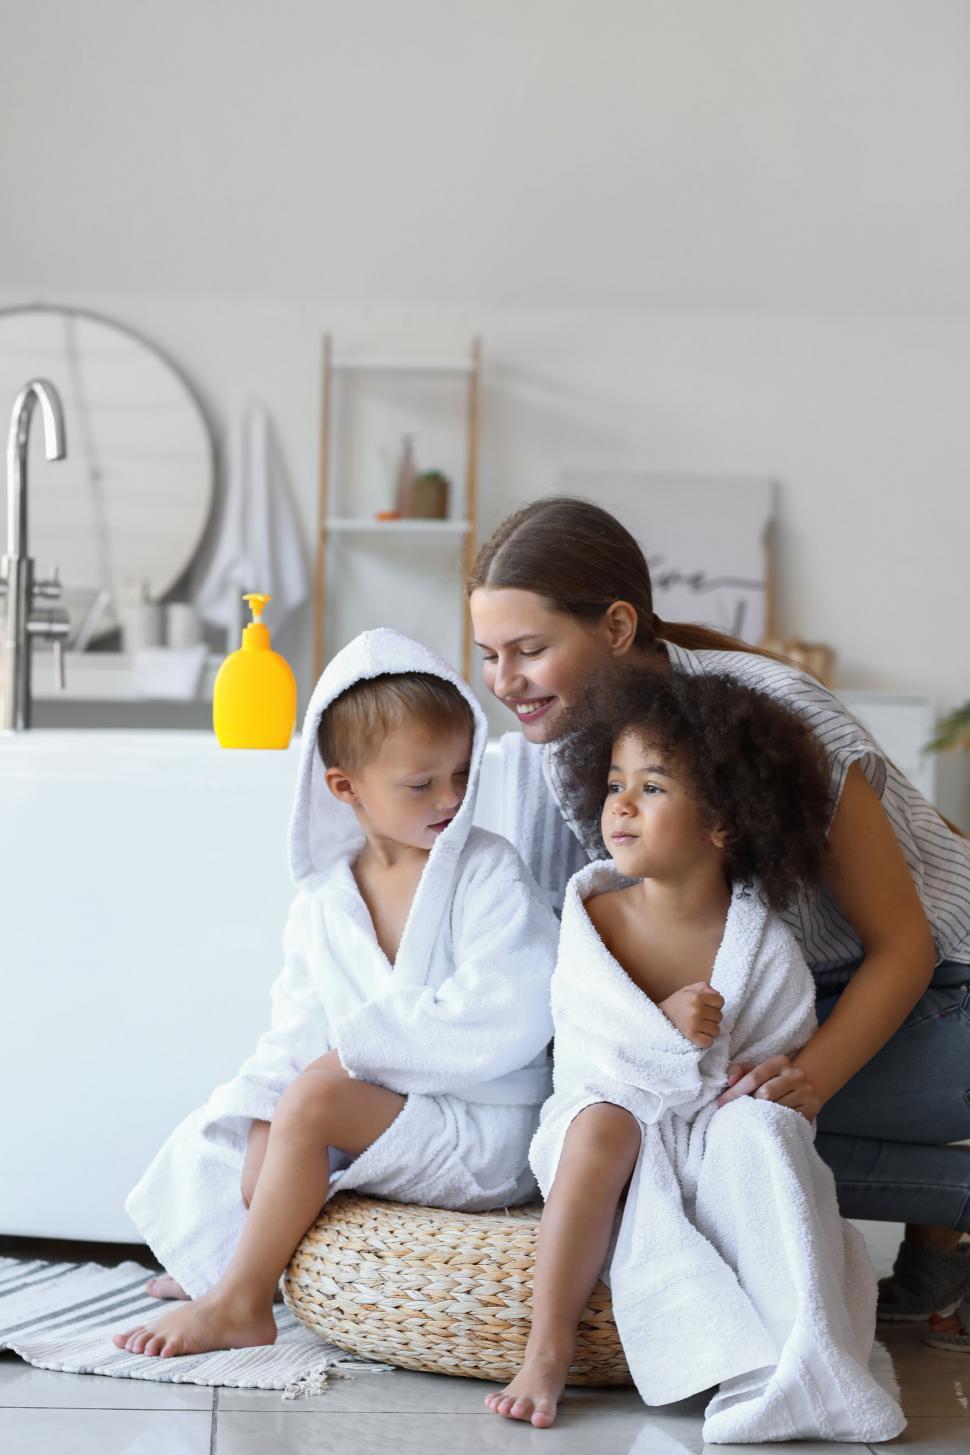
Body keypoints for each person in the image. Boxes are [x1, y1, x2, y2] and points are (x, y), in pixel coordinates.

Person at [469, 496, 970, 1349]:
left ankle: (944, 1225)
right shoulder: (574, 746)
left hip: (942, 990)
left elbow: (905, 944)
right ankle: (941, 1245)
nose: (504, 680)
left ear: (618, 625)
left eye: (531, 649)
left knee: (721, 1133)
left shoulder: (786, 722)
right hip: (799, 994)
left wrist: (807, 1080)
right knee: (658, 1127)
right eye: (488, 654)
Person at [115, 628, 559, 1359]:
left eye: (460, 771)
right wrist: (268, 1095)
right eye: (422, 783)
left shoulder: (488, 870)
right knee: (263, 1127)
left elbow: (510, 1009)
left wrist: (348, 1057)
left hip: (485, 1122)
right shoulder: (326, 899)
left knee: (313, 1099)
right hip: (394, 1109)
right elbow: (295, 1030)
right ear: (345, 787)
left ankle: (241, 1302)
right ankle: (223, 1260)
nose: (451, 796)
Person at [485, 671, 904, 1440]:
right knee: (604, 1124)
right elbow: (588, 1055)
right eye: (614, 782)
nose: (621, 803)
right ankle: (547, 1345)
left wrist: (732, 1087)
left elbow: (767, 1068)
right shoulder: (593, 918)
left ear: (723, 824)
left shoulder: (764, 948)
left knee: (762, 1134)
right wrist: (667, 1032)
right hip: (604, 1122)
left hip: (710, 1135)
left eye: (652, 786)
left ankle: (797, 1353)